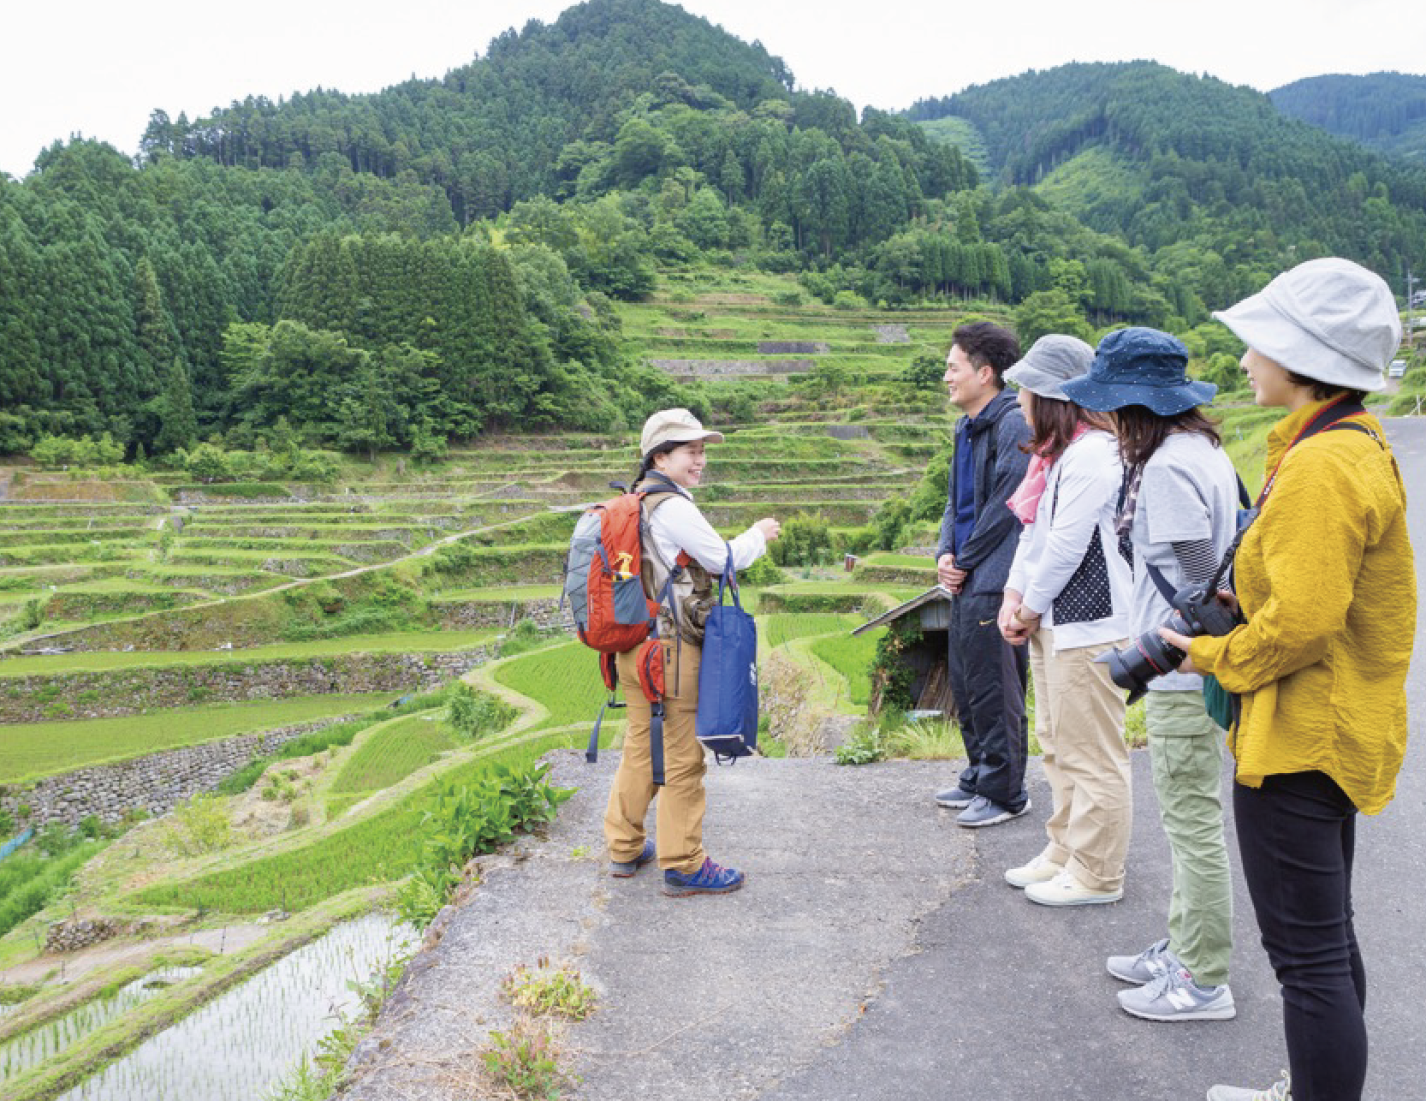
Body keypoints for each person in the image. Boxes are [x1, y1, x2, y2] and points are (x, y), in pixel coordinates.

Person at [1166, 259, 1414, 1101]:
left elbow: (1304, 625)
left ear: (1303, 356)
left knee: (1308, 961)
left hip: (1297, 741)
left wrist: (1207, 653)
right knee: (1328, 944)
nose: (1243, 361)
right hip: (1330, 730)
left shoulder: (1319, 466)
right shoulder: (1349, 442)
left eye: (1257, 344)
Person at [1061, 327, 1241, 1020]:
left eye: (1107, 405)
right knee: (1188, 820)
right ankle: (1184, 943)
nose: (1102, 418)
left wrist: (1155, 649)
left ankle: (1203, 978)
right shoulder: (1202, 449)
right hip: (1190, 668)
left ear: (1132, 406)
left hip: (1180, 671)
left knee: (1191, 823)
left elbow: (1200, 582)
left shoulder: (1165, 469)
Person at [604, 408, 781, 898]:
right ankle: (682, 862)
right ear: (660, 456)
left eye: (703, 449)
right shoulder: (672, 506)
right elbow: (724, 560)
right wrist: (759, 536)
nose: (700, 459)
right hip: (672, 653)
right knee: (682, 758)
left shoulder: (633, 501)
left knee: (641, 747)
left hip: (634, 648)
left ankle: (623, 846)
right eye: (690, 450)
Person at [998, 335, 1133, 906]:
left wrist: (1026, 608)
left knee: (1093, 752)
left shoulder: (1095, 455)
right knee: (1057, 742)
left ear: (1053, 395)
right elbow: (1035, 536)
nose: (1021, 399)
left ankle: (1098, 872)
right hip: (1055, 622)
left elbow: (1067, 547)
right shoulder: (1058, 457)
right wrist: (1013, 594)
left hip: (1089, 625)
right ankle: (1066, 849)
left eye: (1027, 389)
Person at [934, 322, 1033, 827]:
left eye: (954, 367)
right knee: (968, 682)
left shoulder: (1014, 422)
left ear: (985, 373)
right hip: (969, 574)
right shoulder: (966, 426)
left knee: (996, 687)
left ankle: (1006, 792)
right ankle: (979, 773)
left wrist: (966, 560)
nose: (946, 376)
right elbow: (956, 501)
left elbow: (1007, 506)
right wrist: (945, 553)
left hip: (997, 576)